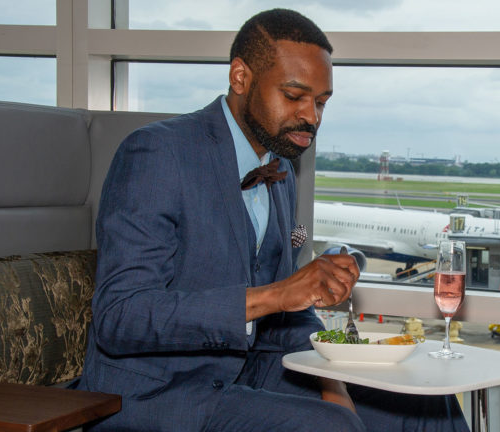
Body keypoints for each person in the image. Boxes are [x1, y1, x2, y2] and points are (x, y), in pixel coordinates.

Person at [77, 8, 469, 432]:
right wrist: (274, 295)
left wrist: (335, 385)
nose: (311, 117)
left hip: (252, 374)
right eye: (294, 95)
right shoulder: (157, 154)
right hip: (159, 395)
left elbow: (290, 315)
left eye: (321, 102)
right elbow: (121, 317)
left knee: (430, 404)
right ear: (241, 77)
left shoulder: (280, 170)